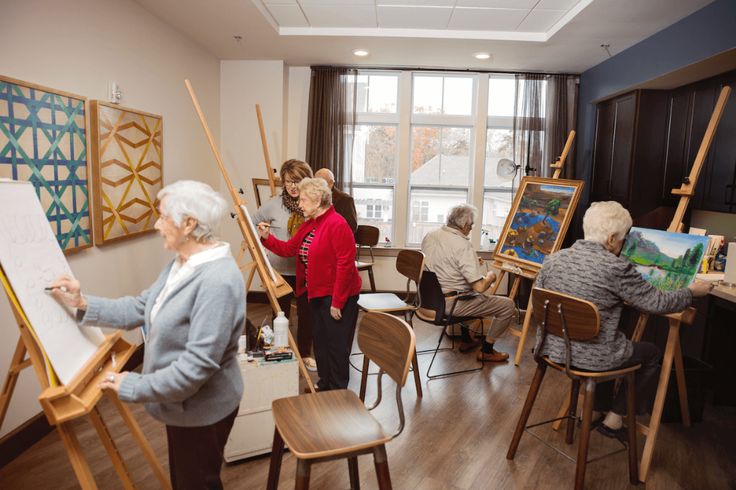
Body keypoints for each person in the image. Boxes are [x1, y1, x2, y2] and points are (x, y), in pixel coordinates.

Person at [50, 180, 245, 490]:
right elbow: (142, 306)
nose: (157, 225)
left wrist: (136, 384)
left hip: (202, 409)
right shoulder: (182, 264)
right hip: (182, 403)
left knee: (197, 482)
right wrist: (83, 302)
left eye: (163, 216)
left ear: (189, 223)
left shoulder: (218, 281)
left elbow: (197, 366)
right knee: (187, 479)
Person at [534, 201, 713, 437]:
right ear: (610, 239)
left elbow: (539, 299)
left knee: (611, 340)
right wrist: (691, 292)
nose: (624, 244)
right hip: (592, 358)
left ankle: (597, 410)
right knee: (650, 354)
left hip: (552, 349)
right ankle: (615, 420)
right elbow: (657, 302)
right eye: (623, 238)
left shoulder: (553, 259)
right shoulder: (615, 268)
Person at [257, 178, 361, 390]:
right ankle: (325, 384)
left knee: (336, 347)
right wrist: (266, 237)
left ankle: (338, 391)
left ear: (318, 201)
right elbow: (289, 249)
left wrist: (338, 302)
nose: (300, 204)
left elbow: (345, 266)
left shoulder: (337, 224)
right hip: (317, 294)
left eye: (304, 200)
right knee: (321, 345)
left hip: (338, 296)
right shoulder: (310, 224)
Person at [421, 204, 516, 362]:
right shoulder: (462, 245)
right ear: (464, 225)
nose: (471, 229)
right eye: (471, 226)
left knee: (466, 292)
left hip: (428, 302)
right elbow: (479, 287)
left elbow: (443, 264)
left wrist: (471, 263)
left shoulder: (431, 235)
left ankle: (467, 340)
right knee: (507, 305)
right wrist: (491, 276)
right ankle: (487, 350)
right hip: (451, 305)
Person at [253, 159, 317, 371]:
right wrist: (263, 240)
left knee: (307, 315)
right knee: (280, 315)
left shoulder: (312, 206)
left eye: (297, 181)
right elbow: (253, 221)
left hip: (306, 270)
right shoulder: (273, 204)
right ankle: (280, 351)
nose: (292, 186)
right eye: (288, 181)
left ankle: (305, 353)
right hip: (279, 270)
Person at [314, 168, 358, 233]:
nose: (317, 187)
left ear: (331, 183)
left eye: (320, 183)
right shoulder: (314, 197)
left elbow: (352, 227)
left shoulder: (346, 200)